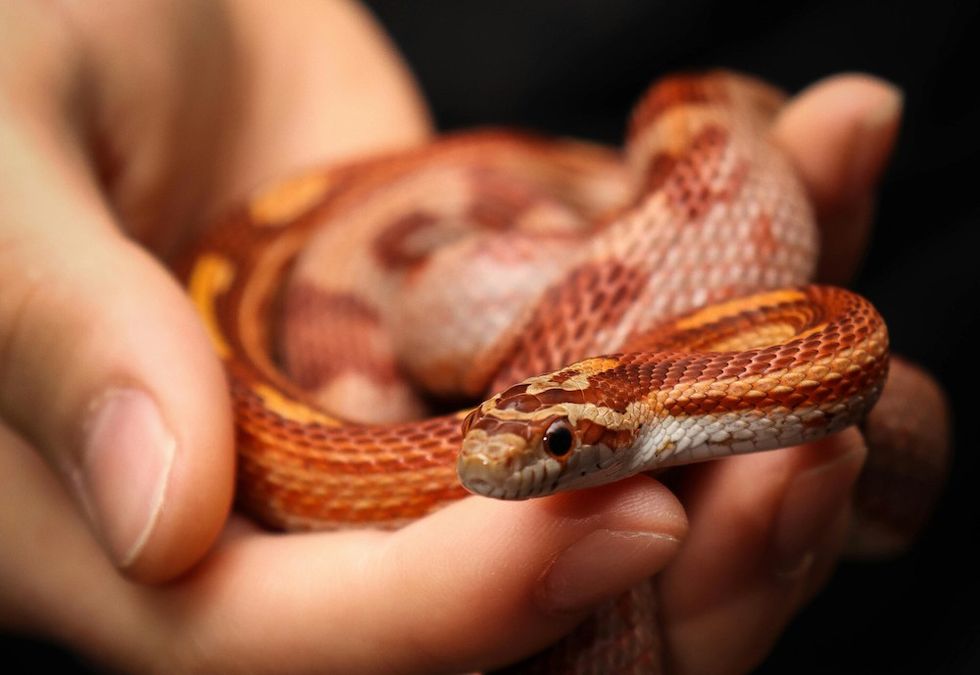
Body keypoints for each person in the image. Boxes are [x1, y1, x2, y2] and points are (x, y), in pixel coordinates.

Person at [0, 1, 911, 672]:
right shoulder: (618, 375)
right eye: (503, 421)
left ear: (620, 427)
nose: (484, 466)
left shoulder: (804, 348)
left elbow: (841, 349)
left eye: (553, 445)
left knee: (893, 432)